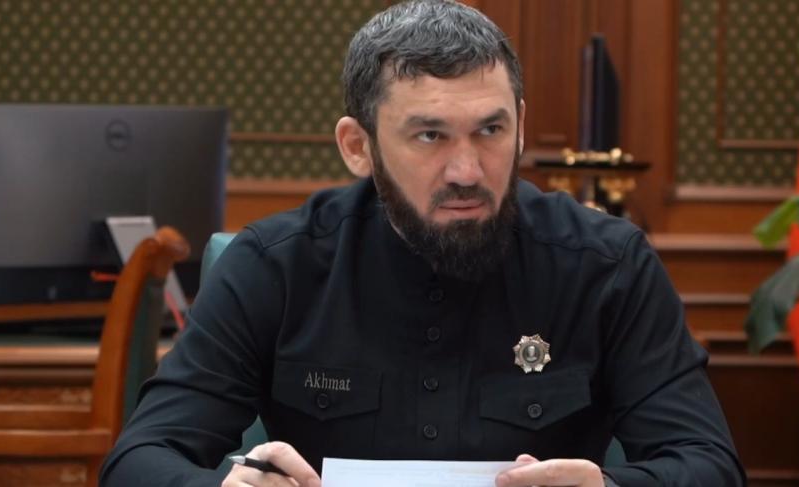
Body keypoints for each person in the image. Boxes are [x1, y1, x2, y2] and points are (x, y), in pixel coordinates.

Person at [100, 1, 745, 486]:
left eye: (490, 130)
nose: (467, 170)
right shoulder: (277, 266)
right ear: (358, 146)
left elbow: (710, 464)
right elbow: (138, 460)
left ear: (521, 127)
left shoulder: (607, 266)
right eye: (430, 136)